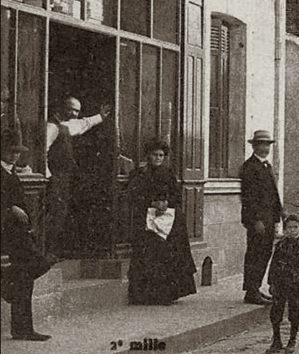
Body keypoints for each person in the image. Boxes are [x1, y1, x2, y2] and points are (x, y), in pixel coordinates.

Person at [125, 140, 197, 305]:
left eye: (161, 155)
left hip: (168, 221)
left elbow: (177, 196)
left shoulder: (169, 174)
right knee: (149, 256)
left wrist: (166, 203)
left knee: (167, 257)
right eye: (154, 155)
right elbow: (133, 195)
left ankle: (166, 294)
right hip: (147, 221)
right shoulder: (139, 174)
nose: (158, 158)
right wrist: (152, 203)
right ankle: (144, 295)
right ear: (148, 156)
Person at [1, 134, 55, 341]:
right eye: (10, 151)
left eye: (17, 152)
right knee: (28, 272)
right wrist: (9, 208)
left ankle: (7, 287)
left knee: (28, 273)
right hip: (7, 234)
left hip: (18, 233)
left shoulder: (10, 172)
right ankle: (22, 328)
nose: (14, 155)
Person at [44, 96, 110, 256]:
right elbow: (41, 152)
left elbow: (81, 124)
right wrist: (48, 176)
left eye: (77, 110)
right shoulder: (52, 127)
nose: (74, 113)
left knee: (61, 213)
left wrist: (100, 117)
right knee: (54, 214)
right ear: (61, 108)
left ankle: (53, 251)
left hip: (64, 178)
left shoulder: (65, 125)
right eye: (71, 109)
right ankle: (46, 251)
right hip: (55, 178)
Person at [240, 129, 283, 305]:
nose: (265, 148)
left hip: (269, 218)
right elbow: (248, 198)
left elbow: (273, 193)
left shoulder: (267, 166)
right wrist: (256, 220)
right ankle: (251, 291)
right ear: (254, 146)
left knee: (265, 253)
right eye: (261, 144)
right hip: (258, 220)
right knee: (255, 254)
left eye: (267, 145)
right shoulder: (250, 167)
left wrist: (280, 212)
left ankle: (256, 287)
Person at [267, 214, 299, 354]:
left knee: (294, 311)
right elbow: (274, 264)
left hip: (296, 284)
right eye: (289, 228)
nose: (292, 230)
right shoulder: (280, 245)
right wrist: (271, 282)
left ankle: (292, 340)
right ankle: (276, 340)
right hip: (280, 283)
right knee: (276, 311)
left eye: (295, 227)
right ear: (285, 229)